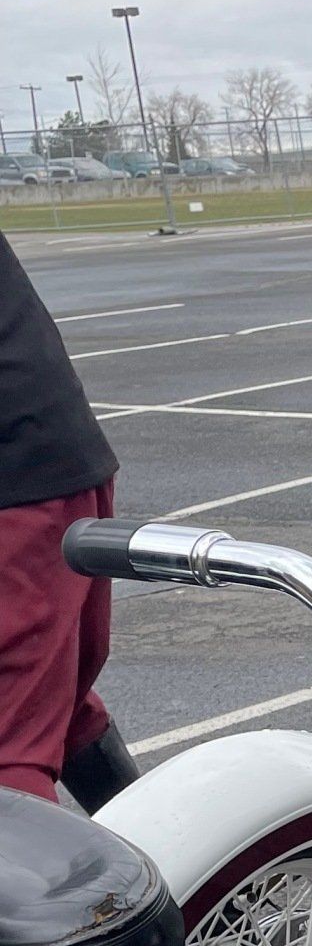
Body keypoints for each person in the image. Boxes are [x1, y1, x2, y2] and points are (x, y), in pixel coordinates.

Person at [0, 232, 136, 808]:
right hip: (46, 453)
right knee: (55, 697)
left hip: (22, 479)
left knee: (10, 741)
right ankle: (157, 846)